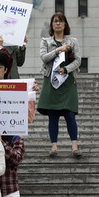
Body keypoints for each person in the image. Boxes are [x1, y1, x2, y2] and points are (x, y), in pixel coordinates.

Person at [37, 12, 82, 156]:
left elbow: (78, 60)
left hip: (68, 81)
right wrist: (58, 50)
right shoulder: (45, 41)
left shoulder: (73, 41)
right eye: (55, 21)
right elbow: (44, 58)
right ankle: (54, 147)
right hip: (51, 81)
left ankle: (74, 147)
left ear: (65, 24)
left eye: (61, 21)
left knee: (70, 114)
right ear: (51, 25)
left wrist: (66, 69)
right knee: (53, 115)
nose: (58, 23)